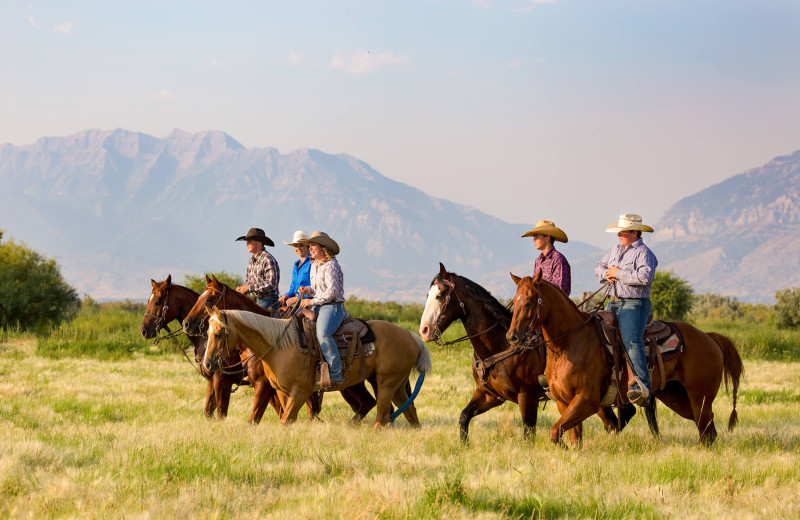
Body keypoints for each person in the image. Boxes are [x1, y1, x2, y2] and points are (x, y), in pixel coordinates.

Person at [595, 214, 658, 406]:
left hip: (634, 304)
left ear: (634, 232)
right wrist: (606, 273)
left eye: (622, 231)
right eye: (619, 231)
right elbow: (599, 267)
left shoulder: (644, 253)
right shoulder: (614, 250)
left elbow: (645, 278)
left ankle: (641, 387)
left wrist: (618, 273)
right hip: (612, 302)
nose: (619, 234)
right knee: (597, 336)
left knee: (631, 340)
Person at [297, 231, 347, 391]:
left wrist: (311, 301)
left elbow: (331, 292)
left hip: (333, 306)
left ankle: (336, 373)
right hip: (319, 304)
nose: (309, 248)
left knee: (323, 334)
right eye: (310, 245)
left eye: (313, 245)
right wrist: (308, 290)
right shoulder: (314, 265)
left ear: (322, 247)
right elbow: (318, 289)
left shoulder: (331, 265)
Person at [521, 220, 571, 296]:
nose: (533, 240)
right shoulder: (538, 261)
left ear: (547, 238)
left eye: (536, 236)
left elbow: (559, 291)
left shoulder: (559, 260)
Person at [235, 227, 280, 310]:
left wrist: (249, 288)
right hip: (257, 299)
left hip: (269, 300)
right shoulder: (251, 260)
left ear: (259, 243)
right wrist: (242, 288)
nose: (246, 244)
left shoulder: (267, 259)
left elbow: (271, 284)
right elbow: (248, 281)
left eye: (249, 241)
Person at [277, 230, 313, 308]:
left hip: (308, 301)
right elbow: (293, 286)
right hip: (296, 301)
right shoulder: (295, 265)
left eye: (301, 245)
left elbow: (314, 285)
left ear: (308, 246)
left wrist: (297, 298)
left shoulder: (312, 262)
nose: (298, 248)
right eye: (296, 246)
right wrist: (287, 295)